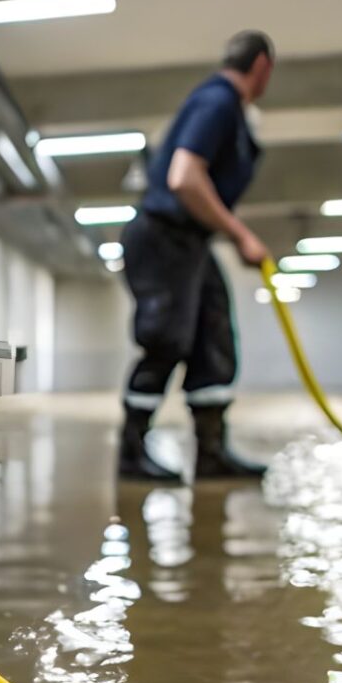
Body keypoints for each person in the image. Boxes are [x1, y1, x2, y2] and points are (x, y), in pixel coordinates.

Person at [118, 29, 275, 482]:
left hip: (191, 242)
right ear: (262, 66)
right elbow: (184, 178)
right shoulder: (219, 101)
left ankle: (211, 453)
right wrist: (241, 234)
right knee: (166, 338)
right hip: (163, 236)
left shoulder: (227, 108)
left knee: (213, 341)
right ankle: (131, 453)